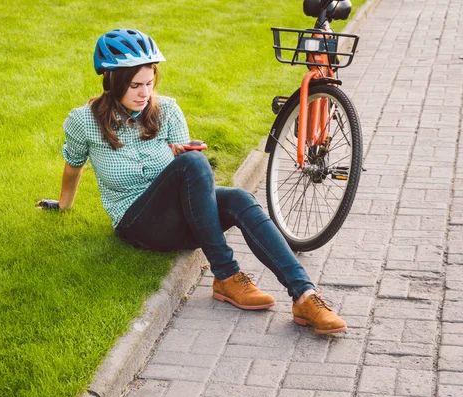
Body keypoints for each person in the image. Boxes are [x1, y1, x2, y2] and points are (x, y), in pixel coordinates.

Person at [38, 28, 347, 335]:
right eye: (134, 86)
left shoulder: (167, 110)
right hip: (138, 224)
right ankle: (226, 273)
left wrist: (179, 155)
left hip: (183, 219)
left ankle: (305, 296)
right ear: (112, 81)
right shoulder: (84, 121)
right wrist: (63, 205)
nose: (144, 93)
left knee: (239, 197)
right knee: (192, 163)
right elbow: (73, 165)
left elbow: (189, 181)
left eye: (149, 83)